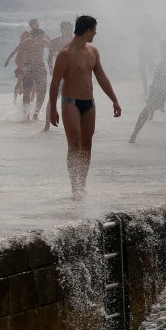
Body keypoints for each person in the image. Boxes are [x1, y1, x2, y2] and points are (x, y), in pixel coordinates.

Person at [49, 15, 121, 200]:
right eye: (94, 29)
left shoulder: (93, 51)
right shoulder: (65, 53)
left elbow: (102, 77)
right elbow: (55, 82)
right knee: (74, 144)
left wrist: (114, 99)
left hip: (89, 103)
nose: (96, 33)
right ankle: (75, 188)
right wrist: (53, 109)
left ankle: (82, 185)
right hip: (70, 102)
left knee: (87, 145)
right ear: (87, 30)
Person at [43, 21, 75, 131]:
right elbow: (49, 58)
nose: (69, 32)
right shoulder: (56, 41)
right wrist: (52, 70)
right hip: (61, 74)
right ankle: (47, 125)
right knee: (53, 99)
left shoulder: (76, 41)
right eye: (67, 29)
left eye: (70, 29)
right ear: (62, 30)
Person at [4, 18, 45, 101]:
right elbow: (16, 49)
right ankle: (15, 98)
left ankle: (31, 100)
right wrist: (8, 59)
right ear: (31, 25)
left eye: (38, 24)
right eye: (36, 24)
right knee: (20, 81)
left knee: (33, 84)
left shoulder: (39, 34)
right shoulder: (27, 35)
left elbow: (44, 43)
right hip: (22, 63)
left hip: (31, 63)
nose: (38, 25)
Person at [16, 28, 50, 120]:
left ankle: (36, 113)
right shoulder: (24, 43)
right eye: (37, 38)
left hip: (40, 66)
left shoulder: (44, 41)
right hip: (28, 67)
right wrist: (19, 68)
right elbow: (18, 58)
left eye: (41, 38)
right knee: (27, 91)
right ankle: (26, 116)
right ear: (32, 36)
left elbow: (53, 48)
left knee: (42, 92)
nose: (39, 41)